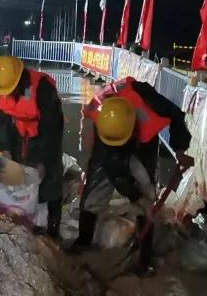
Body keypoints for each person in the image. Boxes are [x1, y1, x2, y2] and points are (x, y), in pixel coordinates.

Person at [75, 78, 192, 267]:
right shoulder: (103, 117)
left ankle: (144, 258)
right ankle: (83, 242)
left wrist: (180, 150)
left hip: (142, 144)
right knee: (95, 187)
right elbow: (114, 169)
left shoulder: (149, 101)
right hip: (109, 142)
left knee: (147, 193)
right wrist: (135, 196)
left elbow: (176, 114)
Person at [0, 55, 65, 238]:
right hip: (16, 132)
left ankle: (53, 229)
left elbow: (51, 128)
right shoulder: (1, 85)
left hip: (44, 134)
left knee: (51, 180)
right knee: (10, 171)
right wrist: (5, 148)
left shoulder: (43, 88)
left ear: (19, 79)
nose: (7, 93)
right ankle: (14, 218)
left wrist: (43, 162)